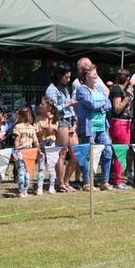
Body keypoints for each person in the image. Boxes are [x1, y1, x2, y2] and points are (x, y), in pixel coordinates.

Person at [74, 65, 114, 191]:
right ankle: (87, 182)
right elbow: (91, 104)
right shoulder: (81, 90)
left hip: (102, 126)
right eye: (93, 73)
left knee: (108, 151)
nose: (96, 75)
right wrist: (102, 103)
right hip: (88, 127)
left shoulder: (100, 88)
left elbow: (109, 105)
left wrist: (101, 104)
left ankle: (104, 181)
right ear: (86, 76)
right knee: (87, 154)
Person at [46, 64, 79, 192]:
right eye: (66, 77)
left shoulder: (65, 88)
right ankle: (60, 183)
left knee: (76, 153)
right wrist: (67, 104)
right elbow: (52, 109)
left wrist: (75, 123)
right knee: (63, 152)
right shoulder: (52, 89)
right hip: (61, 121)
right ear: (59, 76)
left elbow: (71, 107)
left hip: (71, 121)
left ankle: (66, 181)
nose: (68, 80)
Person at [109, 68, 134, 189]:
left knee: (123, 151)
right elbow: (117, 108)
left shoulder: (122, 89)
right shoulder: (117, 89)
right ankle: (117, 181)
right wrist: (128, 97)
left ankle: (117, 178)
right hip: (119, 123)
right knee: (120, 151)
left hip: (127, 123)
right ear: (128, 79)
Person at [12, 105, 38, 197]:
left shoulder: (18, 127)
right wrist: (39, 151)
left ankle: (21, 191)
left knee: (20, 172)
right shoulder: (32, 127)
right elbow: (35, 141)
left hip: (21, 151)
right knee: (28, 172)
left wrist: (15, 151)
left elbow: (17, 140)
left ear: (19, 116)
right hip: (30, 151)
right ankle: (25, 191)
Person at [35, 97, 59, 194]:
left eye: (42, 104)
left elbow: (50, 131)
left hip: (51, 143)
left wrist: (49, 122)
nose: (40, 106)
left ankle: (51, 187)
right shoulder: (38, 119)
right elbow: (37, 133)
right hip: (41, 144)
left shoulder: (54, 119)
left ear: (49, 108)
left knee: (51, 166)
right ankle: (39, 188)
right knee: (41, 166)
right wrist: (43, 130)